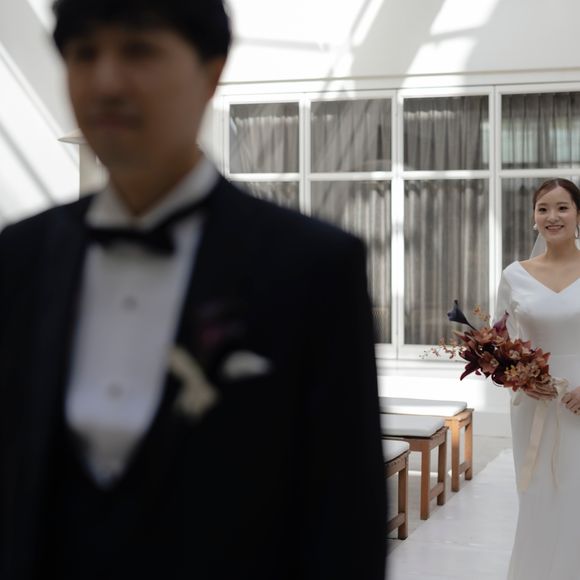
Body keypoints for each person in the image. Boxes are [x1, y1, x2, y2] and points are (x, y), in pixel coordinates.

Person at [0, 1, 387, 578]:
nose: (105, 82)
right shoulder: (18, 256)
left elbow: (346, 520)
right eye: (84, 53)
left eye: (138, 50)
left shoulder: (312, 267)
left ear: (211, 70)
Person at [496, 178, 580, 579]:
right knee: (538, 498)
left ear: (578, 214)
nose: (552, 216)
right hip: (534, 404)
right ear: (533, 218)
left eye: (562, 207)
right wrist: (522, 379)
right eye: (543, 208)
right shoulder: (515, 276)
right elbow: (499, 345)